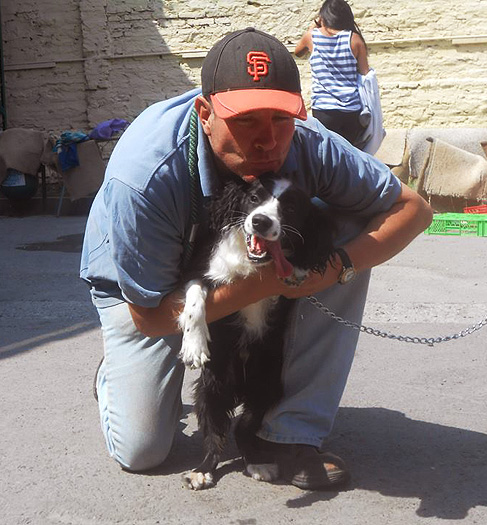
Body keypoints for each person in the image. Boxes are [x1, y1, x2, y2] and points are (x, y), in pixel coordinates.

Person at [80, 27, 433, 490]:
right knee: (143, 450)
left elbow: (413, 210)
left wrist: (332, 268)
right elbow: (148, 316)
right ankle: (120, 379)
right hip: (148, 293)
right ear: (205, 113)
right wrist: (275, 283)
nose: (268, 141)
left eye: (280, 120)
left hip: (240, 273)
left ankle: (288, 433)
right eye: (245, 121)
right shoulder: (144, 172)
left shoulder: (309, 142)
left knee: (348, 231)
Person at [294, 0, 370, 147]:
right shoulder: (354, 39)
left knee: (328, 155)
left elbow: (298, 53)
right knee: (350, 154)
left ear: (323, 16)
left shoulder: (312, 36)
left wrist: (313, 25)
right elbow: (365, 72)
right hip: (351, 110)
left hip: (324, 109)